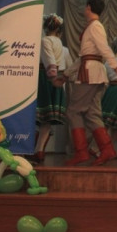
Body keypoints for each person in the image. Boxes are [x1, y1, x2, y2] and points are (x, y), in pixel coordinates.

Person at [60, 0, 117, 166]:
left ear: (88, 7)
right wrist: (66, 74)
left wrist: (116, 68)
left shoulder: (95, 26)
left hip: (89, 74)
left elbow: (104, 49)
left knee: (74, 111)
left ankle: (82, 152)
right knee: (92, 113)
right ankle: (106, 149)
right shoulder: (93, 26)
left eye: (85, 7)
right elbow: (83, 56)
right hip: (93, 72)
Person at [34, 13, 68, 164]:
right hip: (56, 78)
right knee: (46, 120)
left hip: (46, 78)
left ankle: (37, 150)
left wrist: (52, 77)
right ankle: (39, 150)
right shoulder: (59, 43)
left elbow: (50, 60)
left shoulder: (45, 40)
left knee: (40, 117)